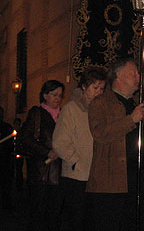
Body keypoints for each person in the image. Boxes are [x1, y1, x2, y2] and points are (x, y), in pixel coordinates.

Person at [86, 58, 144, 231]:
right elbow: (100, 133)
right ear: (118, 75)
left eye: (138, 73)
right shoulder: (101, 103)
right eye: (133, 72)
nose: (138, 76)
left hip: (141, 177)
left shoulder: (140, 105)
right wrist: (130, 120)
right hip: (112, 181)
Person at [52, 67, 106, 231]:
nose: (99, 92)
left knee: (92, 221)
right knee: (76, 221)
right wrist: (76, 161)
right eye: (95, 88)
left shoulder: (100, 111)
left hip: (95, 176)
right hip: (76, 177)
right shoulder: (71, 109)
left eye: (102, 89)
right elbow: (59, 141)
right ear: (84, 86)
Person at [20, 79, 65, 231]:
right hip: (41, 172)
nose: (58, 99)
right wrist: (46, 152)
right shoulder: (37, 113)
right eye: (54, 95)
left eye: (60, 95)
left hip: (59, 172)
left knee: (55, 213)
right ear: (45, 95)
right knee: (38, 212)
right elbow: (25, 138)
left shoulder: (64, 115)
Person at [0, 106, 15, 209]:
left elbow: (11, 144)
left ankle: (6, 204)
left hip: (5, 160)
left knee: (6, 185)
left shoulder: (7, 127)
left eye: (1, 113)